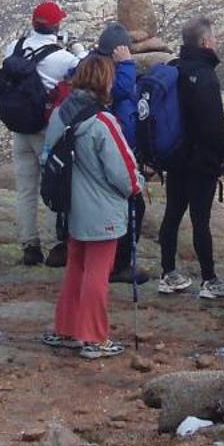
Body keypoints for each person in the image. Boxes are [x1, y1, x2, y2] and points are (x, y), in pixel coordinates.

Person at [39, 53, 142, 360]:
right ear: (104, 81)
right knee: (98, 271)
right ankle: (94, 336)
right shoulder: (101, 121)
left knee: (77, 267)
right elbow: (122, 170)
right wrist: (136, 188)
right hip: (102, 209)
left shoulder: (61, 113)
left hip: (71, 205)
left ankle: (67, 328)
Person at [0, 1, 83, 267]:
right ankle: (57, 244)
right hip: (46, 132)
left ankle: (29, 245)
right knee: (53, 186)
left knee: (25, 189)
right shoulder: (62, 58)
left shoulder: (14, 49)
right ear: (56, 26)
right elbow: (85, 71)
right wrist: (77, 49)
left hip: (19, 130)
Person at [157, 17, 224, 299]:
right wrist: (219, 159)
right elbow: (212, 123)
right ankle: (209, 278)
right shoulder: (205, 75)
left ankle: (167, 272)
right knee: (200, 219)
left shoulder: (174, 69)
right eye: (214, 38)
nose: (216, 43)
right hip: (201, 160)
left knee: (172, 214)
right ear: (205, 42)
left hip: (174, 156)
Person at [89, 22, 148, 286]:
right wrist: (126, 64)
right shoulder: (108, 77)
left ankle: (108, 260)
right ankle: (120, 264)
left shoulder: (88, 68)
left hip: (95, 154)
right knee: (132, 205)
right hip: (112, 150)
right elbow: (120, 90)